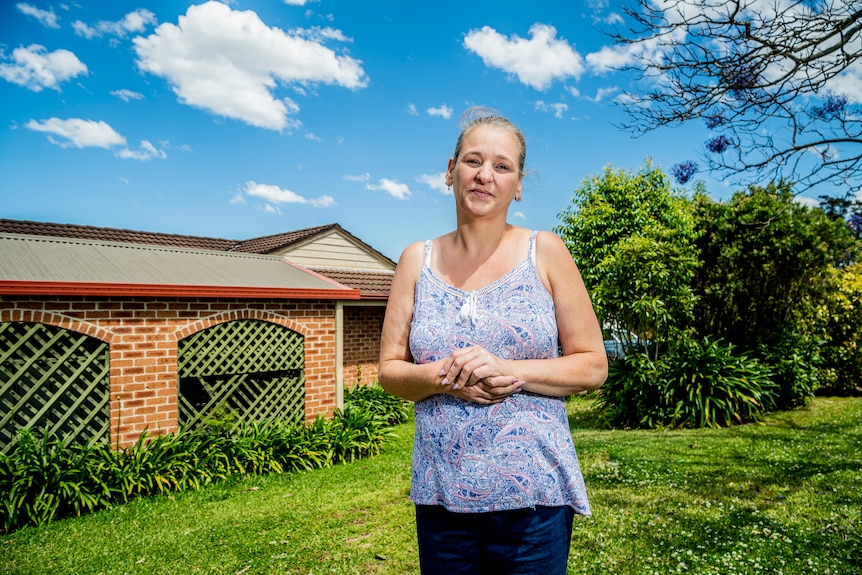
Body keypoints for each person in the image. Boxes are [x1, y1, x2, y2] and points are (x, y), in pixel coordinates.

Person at [378, 106, 608, 574]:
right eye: (473, 160)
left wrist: (511, 370)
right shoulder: (414, 261)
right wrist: (446, 377)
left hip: (534, 500)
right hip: (442, 500)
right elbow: (389, 371)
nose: (485, 175)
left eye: (502, 166)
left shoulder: (544, 251)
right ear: (450, 171)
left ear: (518, 184)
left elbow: (592, 365)